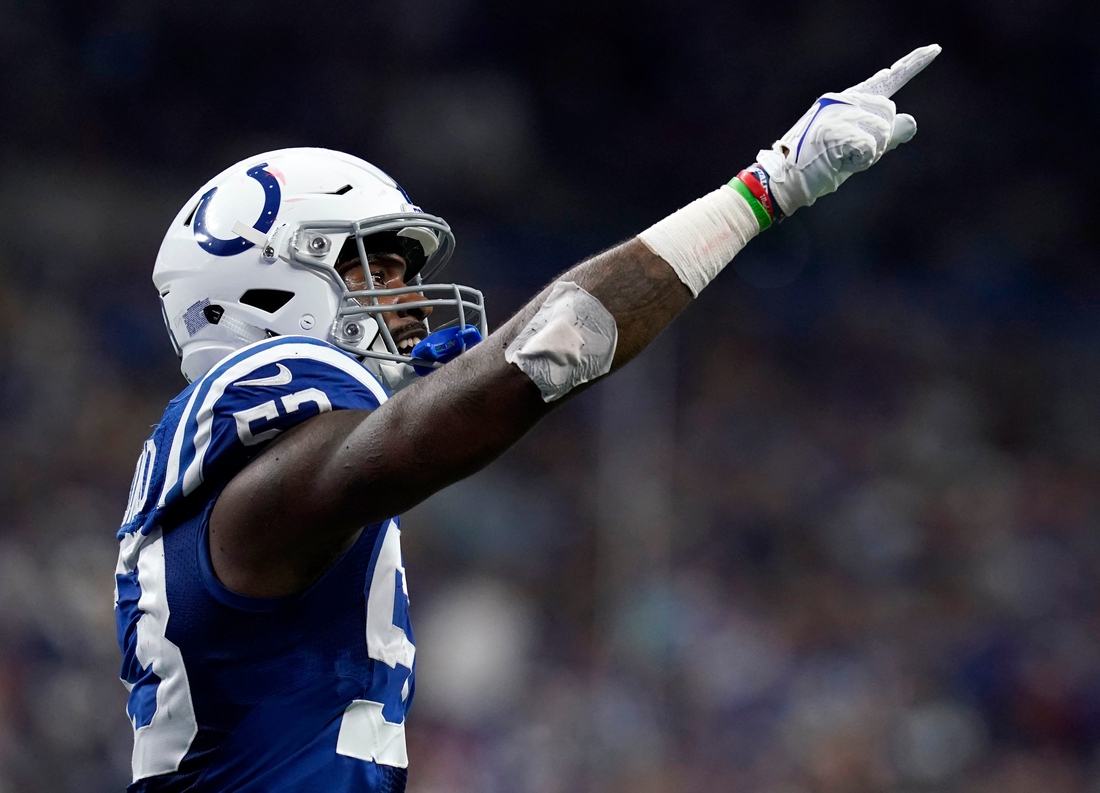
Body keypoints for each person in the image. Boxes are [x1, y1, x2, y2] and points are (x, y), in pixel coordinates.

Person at [114, 45, 940, 792]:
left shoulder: (241, 495)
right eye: (377, 267)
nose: (404, 301)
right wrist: (766, 188)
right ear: (265, 287)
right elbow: (548, 351)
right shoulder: (262, 490)